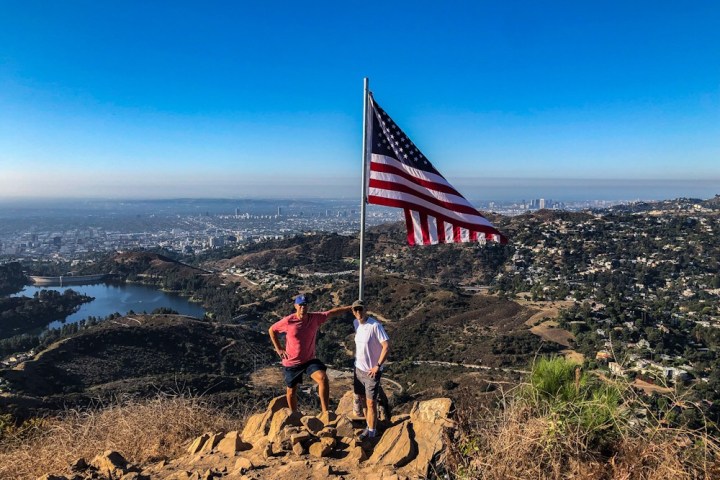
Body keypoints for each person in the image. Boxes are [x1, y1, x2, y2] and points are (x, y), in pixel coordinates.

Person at [268, 294, 352, 415]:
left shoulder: (315, 318)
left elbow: (331, 313)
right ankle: (294, 415)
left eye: (305, 305)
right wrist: (279, 349)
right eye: (301, 305)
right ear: (296, 306)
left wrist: (350, 308)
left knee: (323, 378)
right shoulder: (288, 321)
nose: (303, 307)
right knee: (291, 392)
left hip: (309, 360)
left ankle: (325, 413)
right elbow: (272, 330)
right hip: (292, 362)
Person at [351, 299, 390, 440]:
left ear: (365, 309)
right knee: (363, 400)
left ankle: (372, 434)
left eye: (360, 309)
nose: (358, 312)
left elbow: (386, 346)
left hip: (371, 372)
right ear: (353, 312)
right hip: (359, 369)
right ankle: (369, 426)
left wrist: (377, 366)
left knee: (371, 402)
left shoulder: (375, 326)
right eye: (355, 310)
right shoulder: (356, 324)